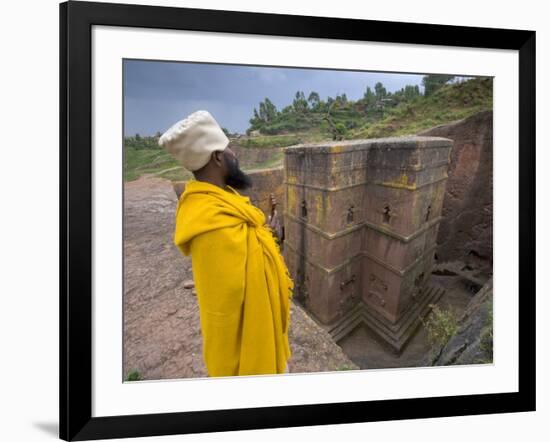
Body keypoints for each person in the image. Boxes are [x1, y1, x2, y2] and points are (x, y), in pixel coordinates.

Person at [159, 110, 293, 377]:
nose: (236, 155)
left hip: (262, 334)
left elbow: (248, 251)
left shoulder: (224, 202)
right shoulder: (210, 222)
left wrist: (267, 234)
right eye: (230, 149)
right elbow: (232, 305)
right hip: (245, 355)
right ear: (218, 157)